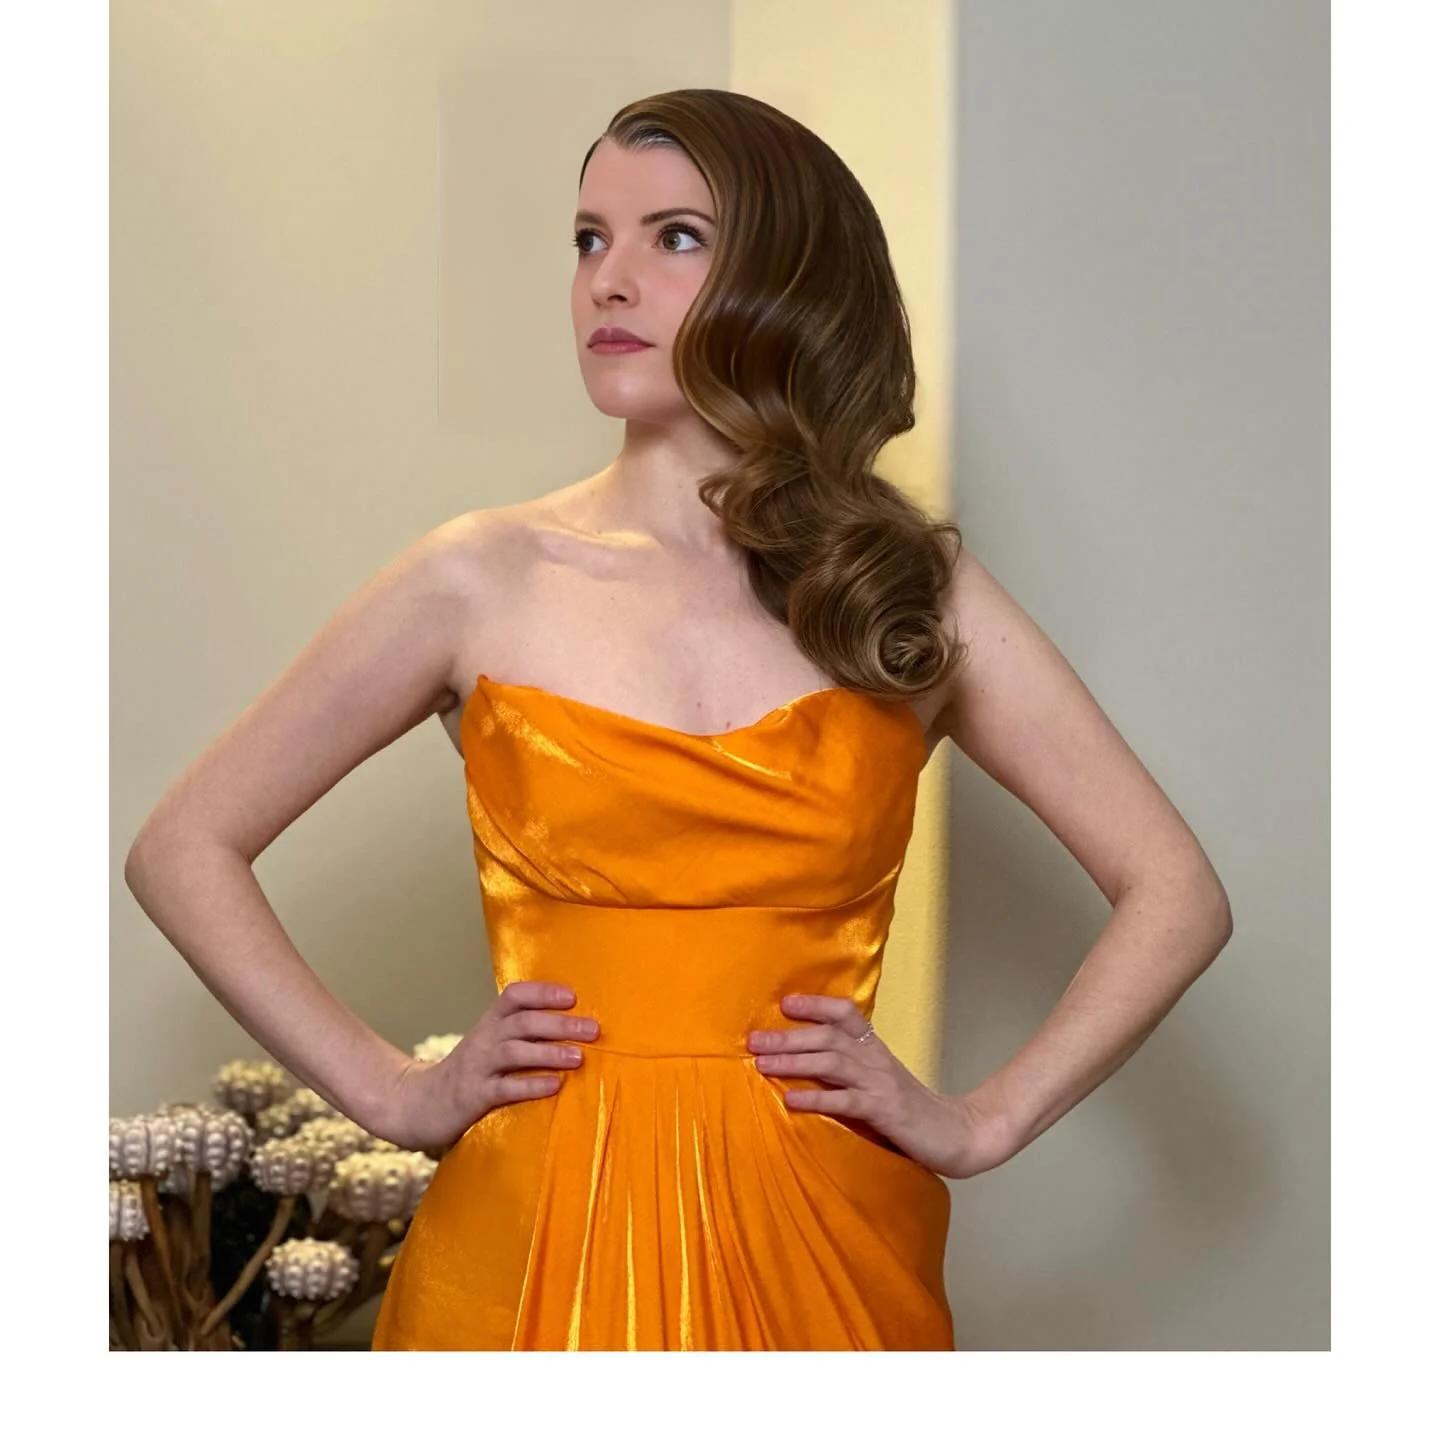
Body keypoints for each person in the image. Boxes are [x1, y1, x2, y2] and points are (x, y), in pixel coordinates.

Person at [124, 89, 1233, 1351]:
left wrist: (980, 1123)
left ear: (790, 280)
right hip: (531, 1237)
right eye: (589, 238)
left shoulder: (905, 591)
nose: (609, 279)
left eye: (677, 238)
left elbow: (1176, 893)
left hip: (826, 1235)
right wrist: (390, 1089)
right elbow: (182, 847)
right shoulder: (478, 577)